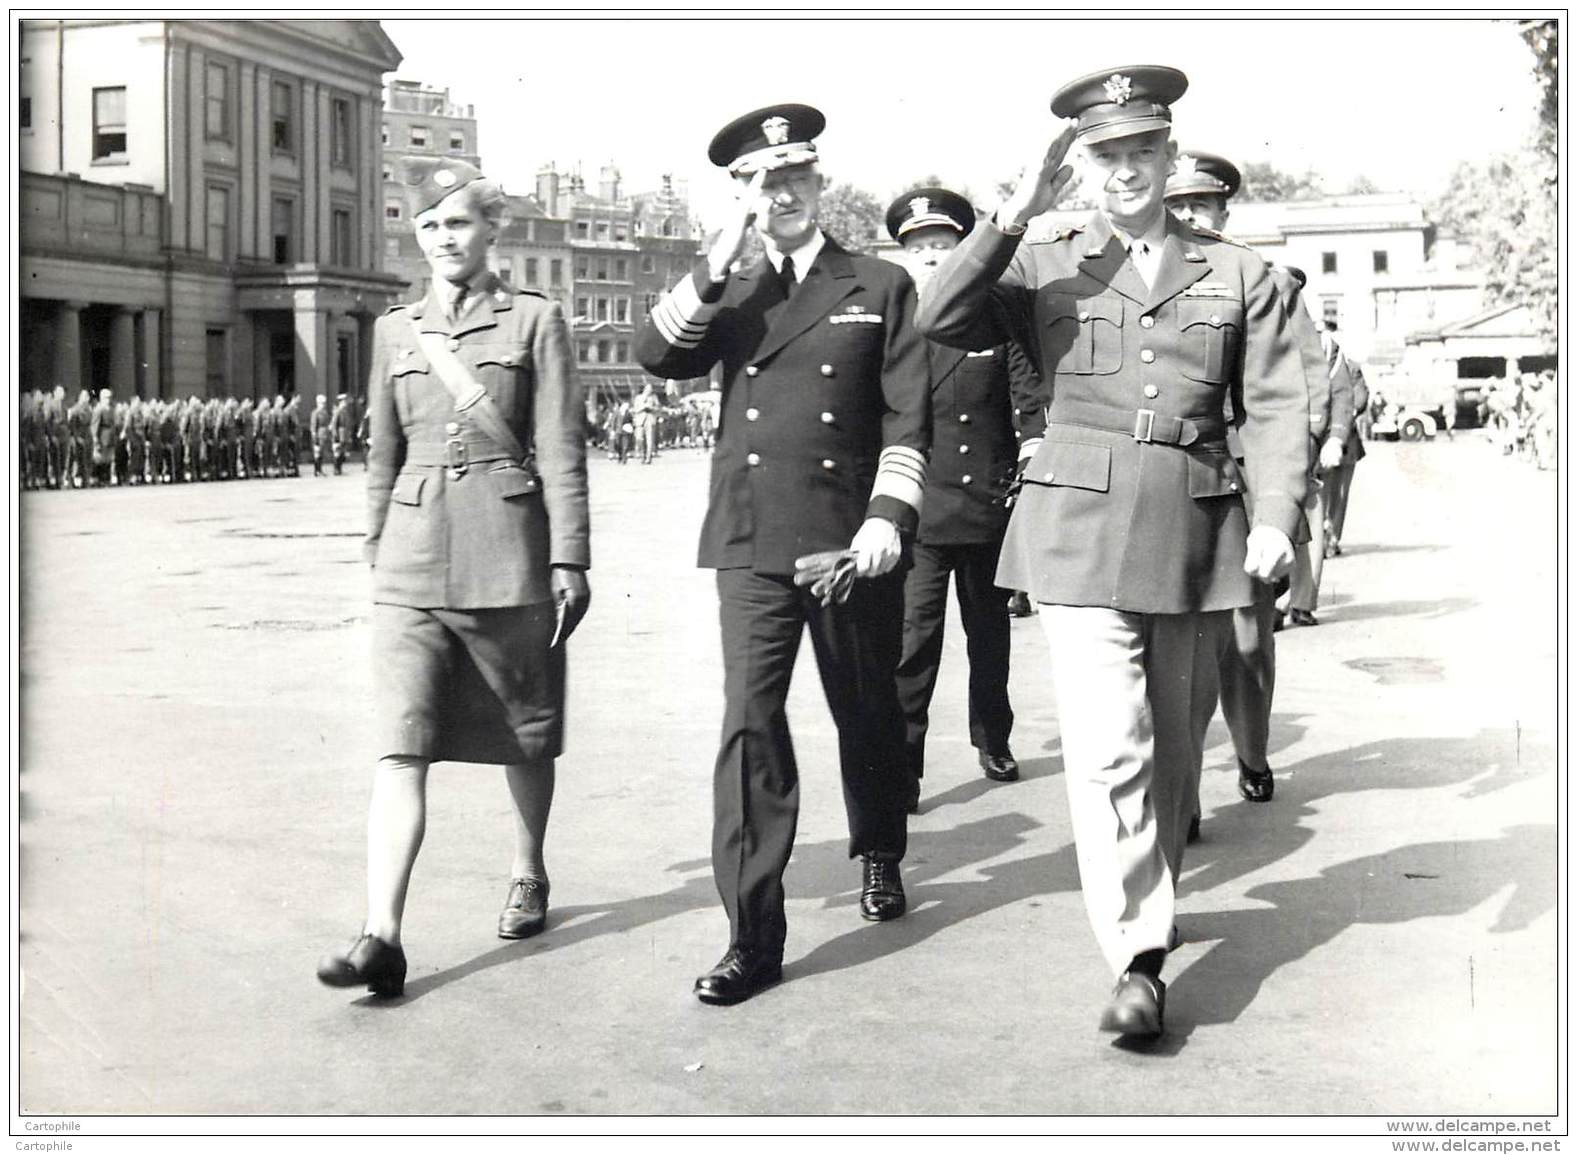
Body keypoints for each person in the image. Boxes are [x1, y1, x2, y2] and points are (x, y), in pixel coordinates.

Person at [916, 66, 1309, 1038]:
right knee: (1108, 748)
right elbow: (935, 315)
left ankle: (1149, 909)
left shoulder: (1238, 275)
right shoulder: (1043, 262)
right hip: (1074, 534)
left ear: (1169, 158)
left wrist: (1275, 516)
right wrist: (1010, 210)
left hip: (1190, 529)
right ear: (1081, 168)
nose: (1125, 171)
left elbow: (1272, 407)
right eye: (1105, 156)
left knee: (1173, 752)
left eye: (1141, 152)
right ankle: (1137, 956)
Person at [635, 103, 930, 1007]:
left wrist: (887, 516)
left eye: (796, 176)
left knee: (866, 708)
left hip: (846, 541)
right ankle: (750, 934)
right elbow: (656, 355)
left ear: (818, 181)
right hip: (751, 542)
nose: (783, 193)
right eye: (763, 182)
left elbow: (904, 414)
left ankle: (878, 846)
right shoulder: (735, 288)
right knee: (749, 724)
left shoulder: (876, 284)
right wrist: (718, 258)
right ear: (741, 195)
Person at [317, 157, 590, 999]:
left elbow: (559, 446)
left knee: (525, 728)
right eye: (430, 227)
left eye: (458, 223)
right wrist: (375, 543)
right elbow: (381, 450)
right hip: (411, 556)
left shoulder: (535, 321)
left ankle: (528, 868)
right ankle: (381, 934)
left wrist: (569, 554)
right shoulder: (398, 329)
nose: (443, 238)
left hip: (509, 551)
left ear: (489, 230)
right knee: (400, 744)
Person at [1165, 153, 1333, 814]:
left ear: (1224, 211)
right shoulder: (1139, 278)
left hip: (1244, 487)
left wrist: (1286, 493)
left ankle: (1251, 748)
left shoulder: (1263, 280)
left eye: (1199, 206)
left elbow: (1304, 394)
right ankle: (1178, 787)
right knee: (1172, 646)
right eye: (1176, 205)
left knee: (1243, 643)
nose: (1186, 218)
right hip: (1173, 484)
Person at [885, 186, 1041, 812]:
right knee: (913, 640)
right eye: (918, 248)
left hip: (986, 502)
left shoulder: (994, 317)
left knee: (988, 634)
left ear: (964, 252)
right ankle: (906, 759)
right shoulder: (893, 327)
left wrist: (1030, 468)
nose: (929, 258)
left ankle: (993, 738)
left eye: (942, 246)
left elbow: (1029, 401)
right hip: (918, 508)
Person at [631, 381, 661, 464]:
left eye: (651, 389)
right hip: (640, 420)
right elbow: (635, 409)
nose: (649, 390)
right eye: (648, 389)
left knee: (649, 440)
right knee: (639, 438)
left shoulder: (654, 398)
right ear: (644, 389)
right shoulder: (638, 398)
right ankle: (642, 454)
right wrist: (642, 407)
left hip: (650, 420)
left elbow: (658, 408)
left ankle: (648, 457)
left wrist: (651, 408)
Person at [310, 394, 332, 476]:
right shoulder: (315, 413)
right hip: (318, 435)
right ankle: (316, 470)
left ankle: (320, 469)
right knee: (317, 453)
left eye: (324, 403)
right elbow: (313, 426)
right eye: (321, 403)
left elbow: (327, 423)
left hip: (324, 435)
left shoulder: (325, 412)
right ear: (317, 403)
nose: (323, 405)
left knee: (321, 453)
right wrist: (314, 437)